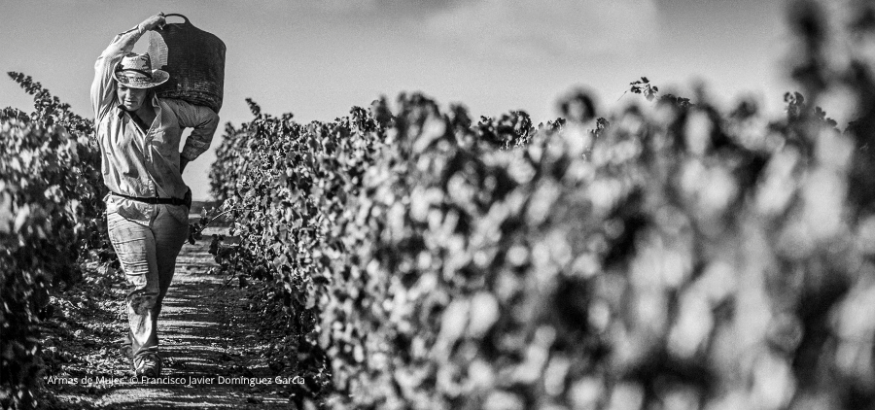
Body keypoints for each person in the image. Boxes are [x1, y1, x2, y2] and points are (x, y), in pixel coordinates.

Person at [91, 12, 219, 377]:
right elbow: (107, 59)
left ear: (149, 87)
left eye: (136, 87)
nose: (128, 93)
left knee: (157, 287)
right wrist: (144, 27)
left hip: (171, 212)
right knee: (142, 284)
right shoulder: (106, 113)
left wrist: (187, 155)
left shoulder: (172, 112)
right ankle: (145, 353)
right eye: (123, 86)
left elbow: (209, 117)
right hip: (125, 210)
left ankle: (145, 340)